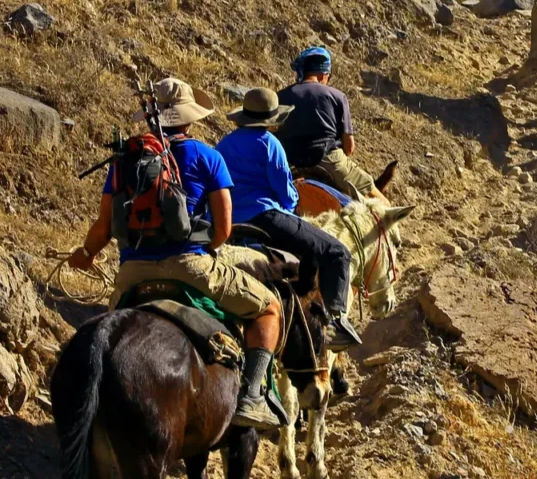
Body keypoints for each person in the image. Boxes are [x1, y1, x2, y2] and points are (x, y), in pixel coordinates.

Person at [67, 78, 284, 431]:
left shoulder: (124, 163)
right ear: (189, 118)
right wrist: (208, 252)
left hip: (132, 272)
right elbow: (223, 231)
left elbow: (103, 228)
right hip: (190, 265)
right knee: (269, 307)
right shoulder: (208, 157)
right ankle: (253, 396)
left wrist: (85, 254)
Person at [216, 87, 363, 350]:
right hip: (266, 218)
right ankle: (335, 323)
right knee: (337, 252)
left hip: (228, 224)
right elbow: (286, 196)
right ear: (272, 120)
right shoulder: (270, 143)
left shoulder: (224, 144)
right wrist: (293, 195)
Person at [276, 47, 377, 199]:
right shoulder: (337, 96)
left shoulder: (280, 96)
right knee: (380, 202)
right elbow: (349, 148)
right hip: (329, 160)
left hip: (289, 163)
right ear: (324, 74)